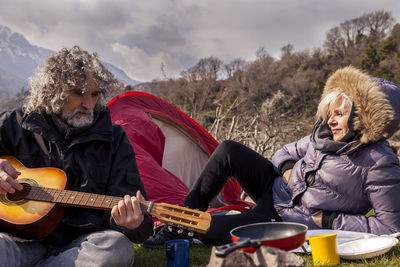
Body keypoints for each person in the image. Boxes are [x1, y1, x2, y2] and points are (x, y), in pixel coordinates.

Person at [142, 65, 400, 248]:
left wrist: (334, 220)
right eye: (330, 112)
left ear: (363, 119)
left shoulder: (379, 162)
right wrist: (288, 170)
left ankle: (190, 227)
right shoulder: (323, 136)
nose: (330, 120)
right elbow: (284, 152)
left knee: (210, 232)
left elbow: (390, 228)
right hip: (274, 188)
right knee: (229, 149)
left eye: (340, 114)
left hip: (286, 218)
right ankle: (184, 216)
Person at [0, 46, 154, 266]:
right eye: (78, 93)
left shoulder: (115, 139)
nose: (89, 104)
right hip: (18, 238)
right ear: (53, 91)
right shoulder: (14, 124)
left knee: (116, 247)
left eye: (94, 94)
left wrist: (132, 223)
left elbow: (133, 208)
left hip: (81, 245)